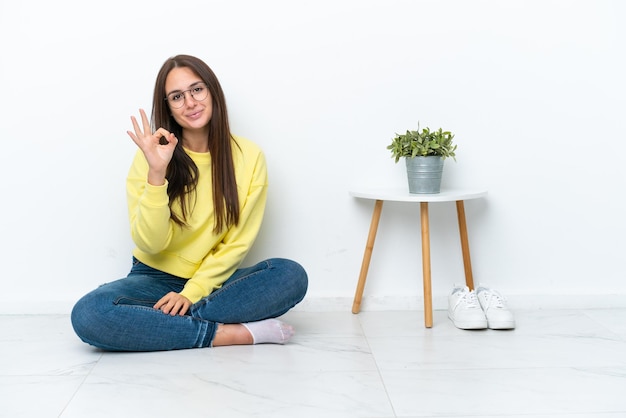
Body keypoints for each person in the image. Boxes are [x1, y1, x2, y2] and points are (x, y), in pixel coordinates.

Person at [71, 54, 308, 351]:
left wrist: (192, 292)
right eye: (177, 96)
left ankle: (157, 325)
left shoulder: (249, 156)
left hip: (214, 283)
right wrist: (157, 173)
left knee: (290, 275)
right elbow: (151, 244)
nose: (191, 103)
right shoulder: (151, 156)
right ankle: (229, 334)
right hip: (152, 279)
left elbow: (237, 243)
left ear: (212, 91)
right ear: (167, 106)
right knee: (90, 314)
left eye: (197, 90)